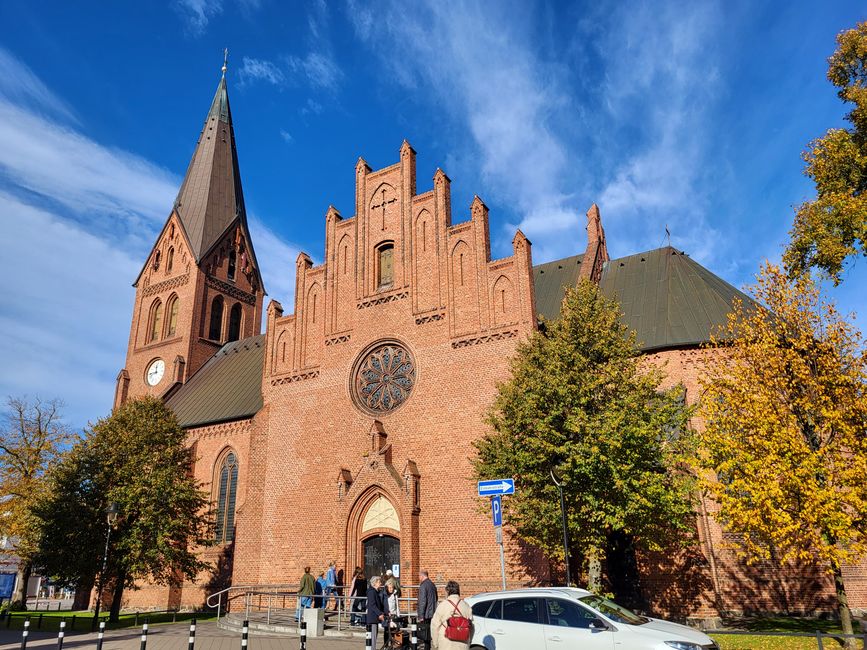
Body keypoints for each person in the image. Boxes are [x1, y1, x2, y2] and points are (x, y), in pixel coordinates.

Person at [430, 581, 472, 650]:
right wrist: (469, 641)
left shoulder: (442, 605)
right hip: (463, 643)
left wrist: (435, 643)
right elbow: (471, 626)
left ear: (447, 591)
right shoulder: (466, 606)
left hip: (446, 642)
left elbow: (434, 626)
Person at [416, 570, 437, 650]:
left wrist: (421, 615)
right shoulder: (432, 584)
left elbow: (422, 601)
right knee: (429, 634)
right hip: (432, 612)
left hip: (426, 614)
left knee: (425, 634)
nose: (419, 578)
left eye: (419, 576)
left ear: (422, 576)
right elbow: (436, 598)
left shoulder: (423, 586)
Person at [366, 576, 388, 650]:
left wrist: (384, 612)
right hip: (372, 618)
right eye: (379, 582)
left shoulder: (375, 591)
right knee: (372, 638)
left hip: (374, 618)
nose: (380, 583)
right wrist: (380, 614)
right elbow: (373, 605)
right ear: (374, 583)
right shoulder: (372, 592)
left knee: (374, 637)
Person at [384, 582, 401, 647]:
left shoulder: (395, 595)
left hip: (393, 615)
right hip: (387, 615)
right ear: (387, 588)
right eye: (390, 588)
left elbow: (397, 606)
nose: (391, 589)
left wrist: (398, 616)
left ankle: (392, 645)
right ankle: (386, 645)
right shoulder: (385, 595)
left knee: (393, 631)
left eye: (392, 588)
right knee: (386, 631)